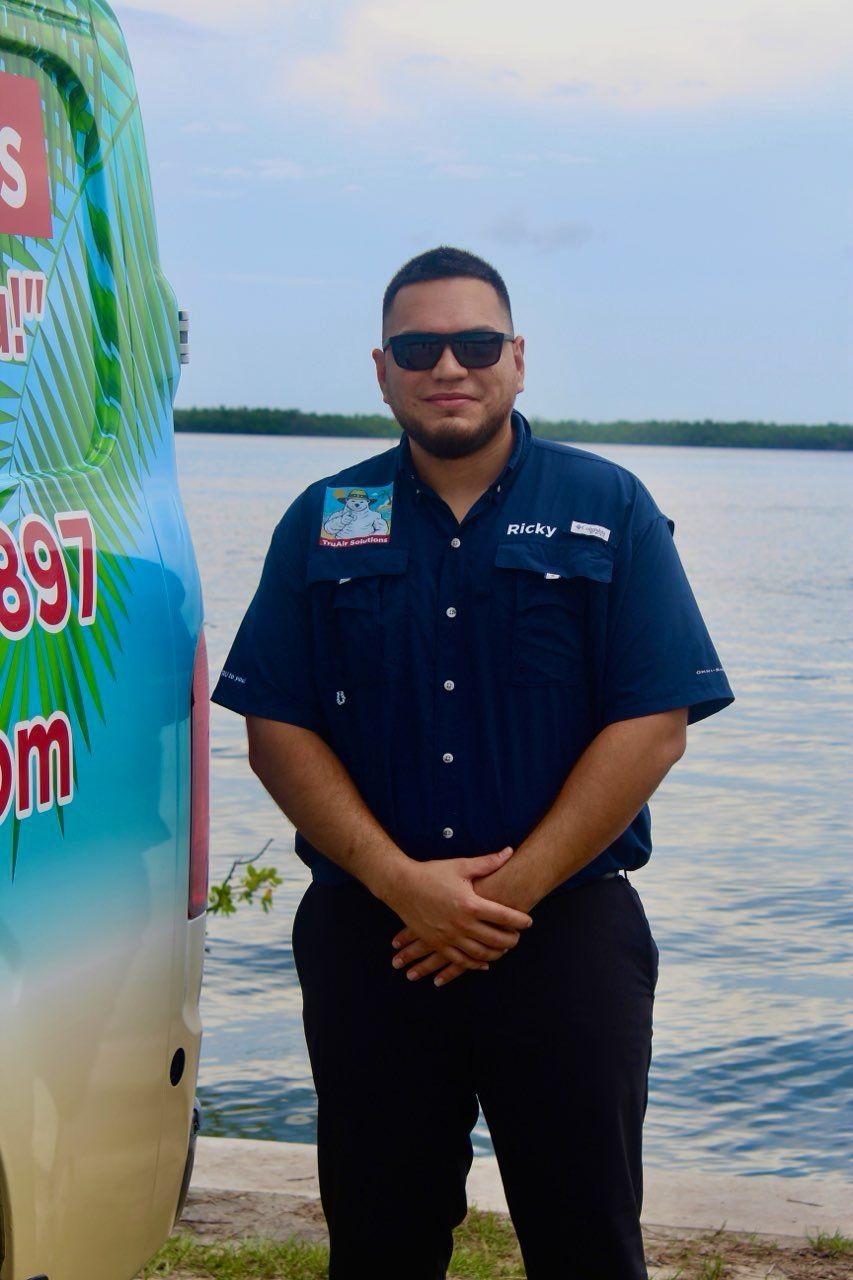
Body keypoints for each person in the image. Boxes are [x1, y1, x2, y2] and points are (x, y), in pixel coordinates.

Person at [211, 245, 734, 1280]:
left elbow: (653, 721)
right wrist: (406, 886)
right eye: (418, 345)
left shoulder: (608, 505)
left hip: (567, 934)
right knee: (378, 1239)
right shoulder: (322, 519)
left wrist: (501, 897)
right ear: (381, 368)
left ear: (517, 358)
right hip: (375, 936)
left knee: (588, 1240)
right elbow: (275, 724)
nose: (447, 363)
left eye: (475, 341)